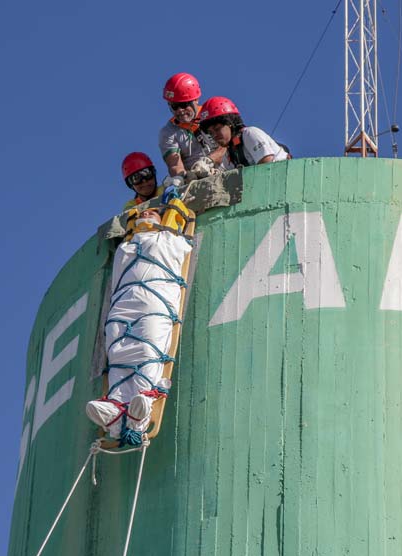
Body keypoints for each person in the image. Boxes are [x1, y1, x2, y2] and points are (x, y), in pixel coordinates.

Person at [86, 196, 192, 446]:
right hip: (123, 306)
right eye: (143, 214)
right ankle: (117, 413)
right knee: (118, 352)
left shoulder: (169, 239)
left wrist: (174, 209)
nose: (146, 215)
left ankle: (137, 416)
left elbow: (182, 245)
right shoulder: (126, 247)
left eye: (153, 214)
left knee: (147, 350)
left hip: (153, 302)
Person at [158, 72, 226, 184]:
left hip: (227, 171)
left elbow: (228, 144)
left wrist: (208, 161)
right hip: (198, 181)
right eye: (175, 106)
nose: (180, 110)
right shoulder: (168, 132)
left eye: (184, 105)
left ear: (196, 100)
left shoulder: (213, 114)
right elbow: (175, 165)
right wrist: (183, 177)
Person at [198, 96, 290, 169]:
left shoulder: (250, 134)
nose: (214, 135)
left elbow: (267, 167)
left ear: (230, 123)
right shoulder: (229, 154)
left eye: (217, 129)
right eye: (210, 132)